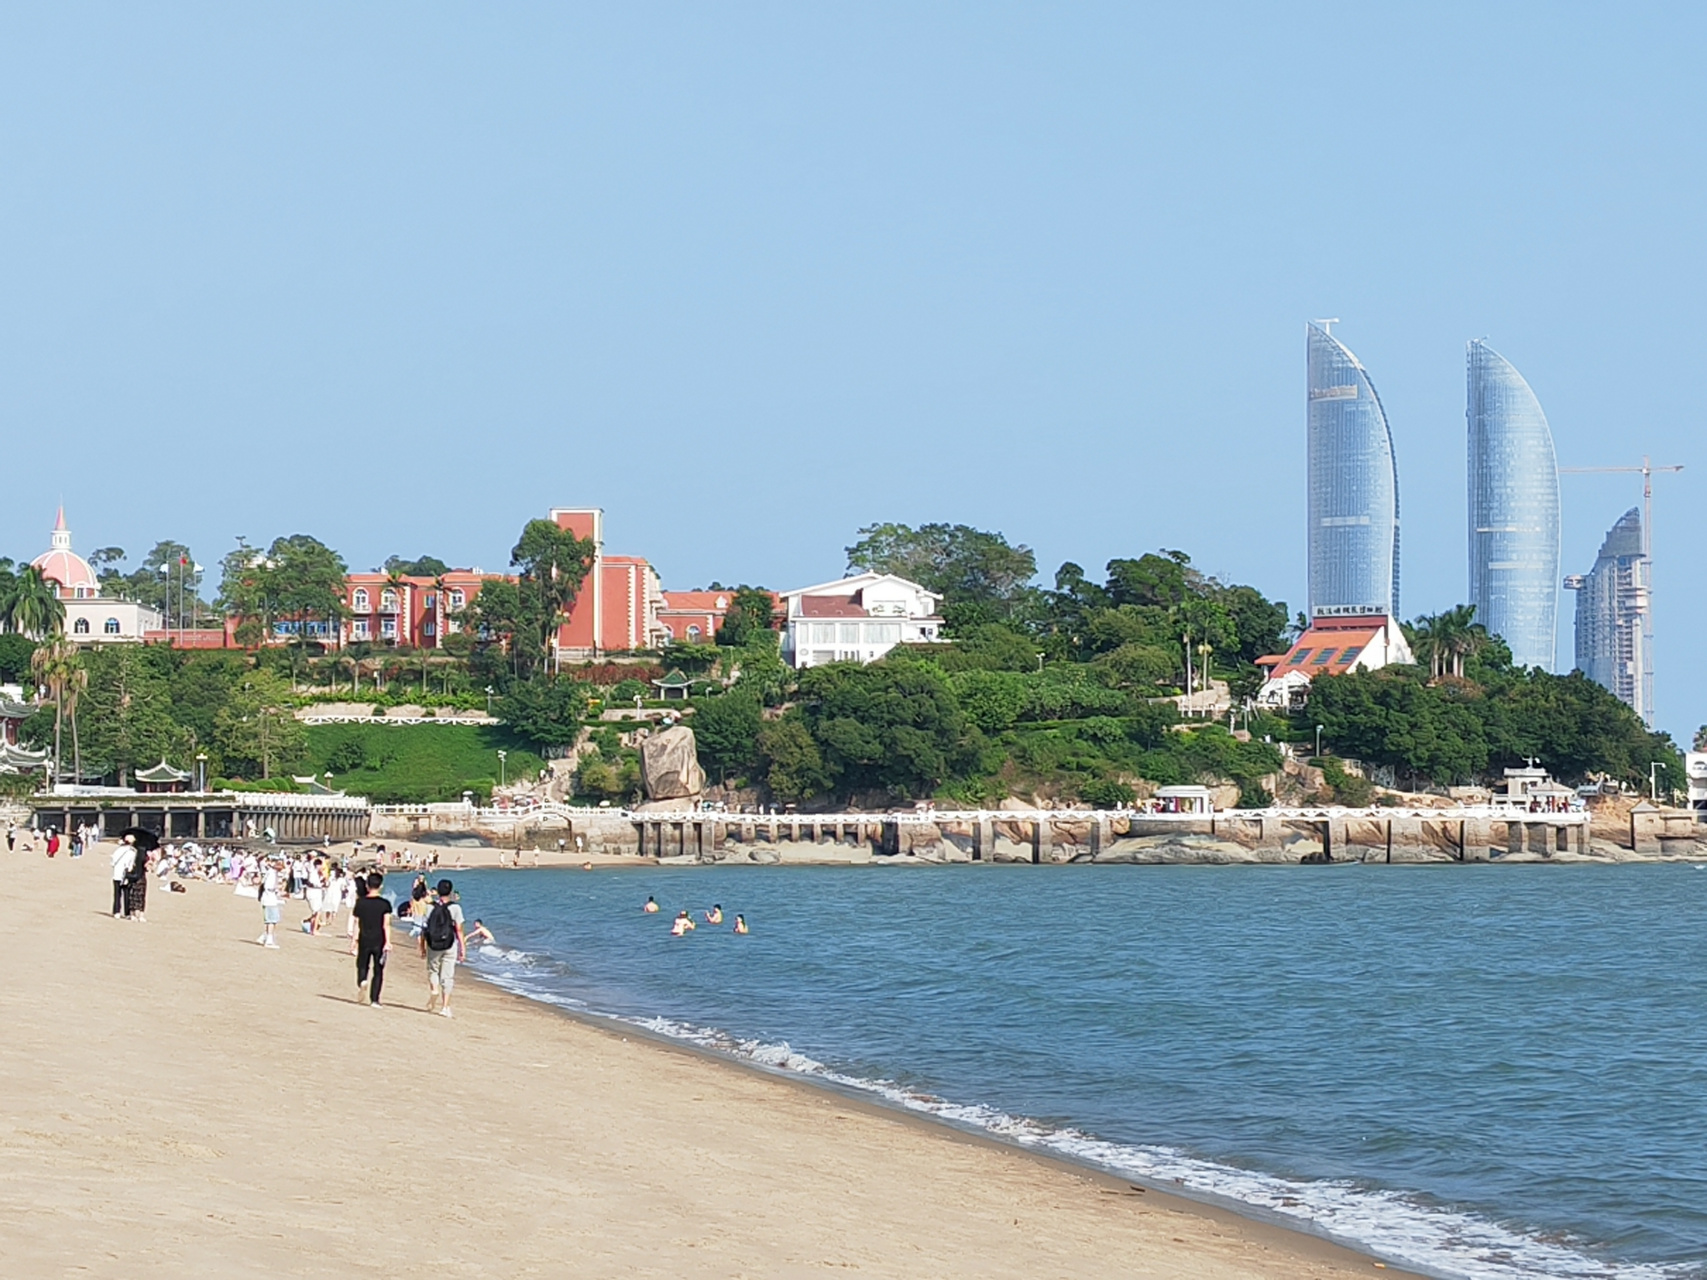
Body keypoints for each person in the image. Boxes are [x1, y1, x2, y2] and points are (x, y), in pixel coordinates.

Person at [419, 879, 466, 1018]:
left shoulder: (429, 907)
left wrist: (422, 946)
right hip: (449, 944)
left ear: (437, 892)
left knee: (433, 970)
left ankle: (434, 990)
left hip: (433, 944)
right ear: (450, 892)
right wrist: (462, 948)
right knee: (447, 976)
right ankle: (445, 1007)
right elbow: (459, 930)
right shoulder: (456, 908)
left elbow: (424, 930)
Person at [352, 872, 392, 1006]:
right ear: (380, 886)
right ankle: (375, 999)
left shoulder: (360, 902)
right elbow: (386, 925)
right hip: (379, 940)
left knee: (362, 965)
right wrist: (388, 942)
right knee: (378, 971)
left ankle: (362, 981)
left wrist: (354, 940)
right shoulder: (385, 904)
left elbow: (357, 923)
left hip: (364, 938)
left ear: (367, 886)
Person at [256, 859, 283, 948]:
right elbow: (268, 886)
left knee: (273, 919)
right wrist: (277, 890)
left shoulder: (272, 873)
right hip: (269, 899)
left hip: (269, 899)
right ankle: (269, 941)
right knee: (271, 920)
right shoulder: (272, 873)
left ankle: (264, 937)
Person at [124, 846, 150, 923]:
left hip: (134, 877)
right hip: (141, 877)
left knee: (133, 896)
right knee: (141, 897)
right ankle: (140, 915)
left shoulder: (133, 855)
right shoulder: (145, 856)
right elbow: (147, 868)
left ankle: (132, 914)